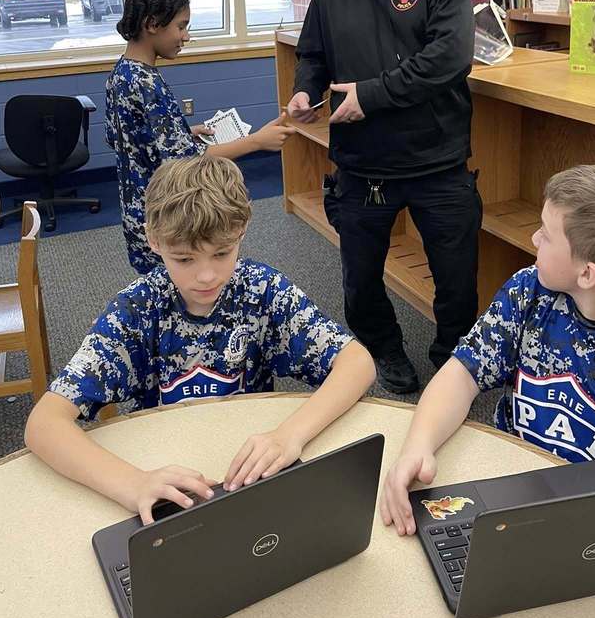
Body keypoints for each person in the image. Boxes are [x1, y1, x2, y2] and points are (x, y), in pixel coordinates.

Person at [25, 154, 375, 525]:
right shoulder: (137, 310)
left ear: (242, 230)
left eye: (221, 254)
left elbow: (357, 363)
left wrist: (290, 435)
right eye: (185, 259)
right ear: (154, 241)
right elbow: (44, 424)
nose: (206, 275)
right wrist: (133, 483)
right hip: (170, 475)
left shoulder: (262, 289)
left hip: (245, 472)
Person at [381, 164, 595, 535]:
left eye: (546, 234)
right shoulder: (528, 291)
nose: (533, 238)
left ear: (588, 274)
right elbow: (461, 376)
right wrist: (418, 447)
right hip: (511, 487)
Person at [287, 0, 480, 394]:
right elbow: (313, 54)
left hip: (436, 159)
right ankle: (385, 350)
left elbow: (448, 60)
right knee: (359, 280)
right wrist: (305, 91)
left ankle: (452, 362)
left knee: (456, 280)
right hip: (362, 165)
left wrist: (370, 95)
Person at [106, 0, 294, 274]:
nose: (187, 36)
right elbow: (186, 162)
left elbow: (123, 137)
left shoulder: (121, 72)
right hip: (165, 214)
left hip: (137, 212)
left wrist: (181, 132)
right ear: (153, 24)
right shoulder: (146, 82)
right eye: (181, 26)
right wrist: (258, 141)